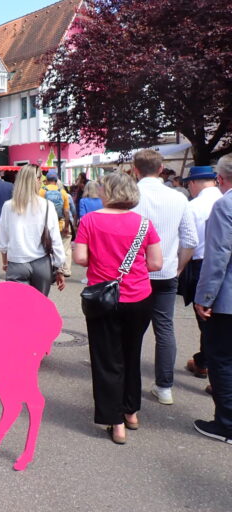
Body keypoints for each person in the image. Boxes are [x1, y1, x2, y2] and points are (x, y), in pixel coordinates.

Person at [73, 172, 163, 444]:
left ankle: (115, 421)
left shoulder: (90, 220)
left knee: (106, 359)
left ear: (107, 192)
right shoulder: (144, 224)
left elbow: (79, 258)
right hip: (138, 297)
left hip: (104, 299)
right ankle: (131, 412)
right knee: (131, 354)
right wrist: (133, 269)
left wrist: (104, 264)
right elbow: (157, 263)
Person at [132, 149, 198, 406]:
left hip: (136, 273)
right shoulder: (179, 198)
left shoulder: (132, 197)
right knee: (165, 329)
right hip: (167, 272)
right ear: (161, 169)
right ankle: (165, 386)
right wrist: (178, 268)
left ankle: (129, 383)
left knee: (132, 328)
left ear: (135, 169)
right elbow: (191, 240)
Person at [193, 153, 232, 444]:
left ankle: (227, 423)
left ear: (221, 179)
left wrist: (204, 297)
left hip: (228, 298)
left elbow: (217, 256)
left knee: (221, 358)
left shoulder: (225, 205)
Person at [180, 166, 222, 381]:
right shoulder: (225, 199)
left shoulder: (194, 206)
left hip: (201, 264)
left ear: (194, 183)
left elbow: (188, 242)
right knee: (219, 318)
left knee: (206, 319)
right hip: (226, 265)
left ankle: (208, 364)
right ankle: (203, 359)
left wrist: (179, 268)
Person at [0, 165, 65, 296]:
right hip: (41, 263)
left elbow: (3, 240)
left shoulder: (8, 206)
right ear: (37, 180)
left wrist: (5, 262)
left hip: (17, 262)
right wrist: (59, 267)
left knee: (18, 310)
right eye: (40, 178)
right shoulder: (47, 205)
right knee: (40, 308)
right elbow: (55, 239)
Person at [39, 169, 73, 277]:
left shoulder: (41, 191)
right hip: (60, 223)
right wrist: (66, 226)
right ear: (56, 179)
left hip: (46, 224)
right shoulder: (63, 193)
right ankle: (64, 269)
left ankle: (50, 271)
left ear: (46, 180)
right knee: (63, 246)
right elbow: (66, 212)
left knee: (48, 248)